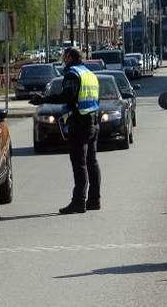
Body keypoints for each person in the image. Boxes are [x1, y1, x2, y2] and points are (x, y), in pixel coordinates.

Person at [31, 47, 101, 214]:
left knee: (80, 164)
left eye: (64, 56)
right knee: (92, 162)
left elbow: (67, 96)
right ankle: (94, 200)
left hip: (80, 123)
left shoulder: (72, 74)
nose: (63, 59)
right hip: (93, 121)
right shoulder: (90, 74)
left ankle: (78, 202)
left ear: (70, 57)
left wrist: (44, 99)